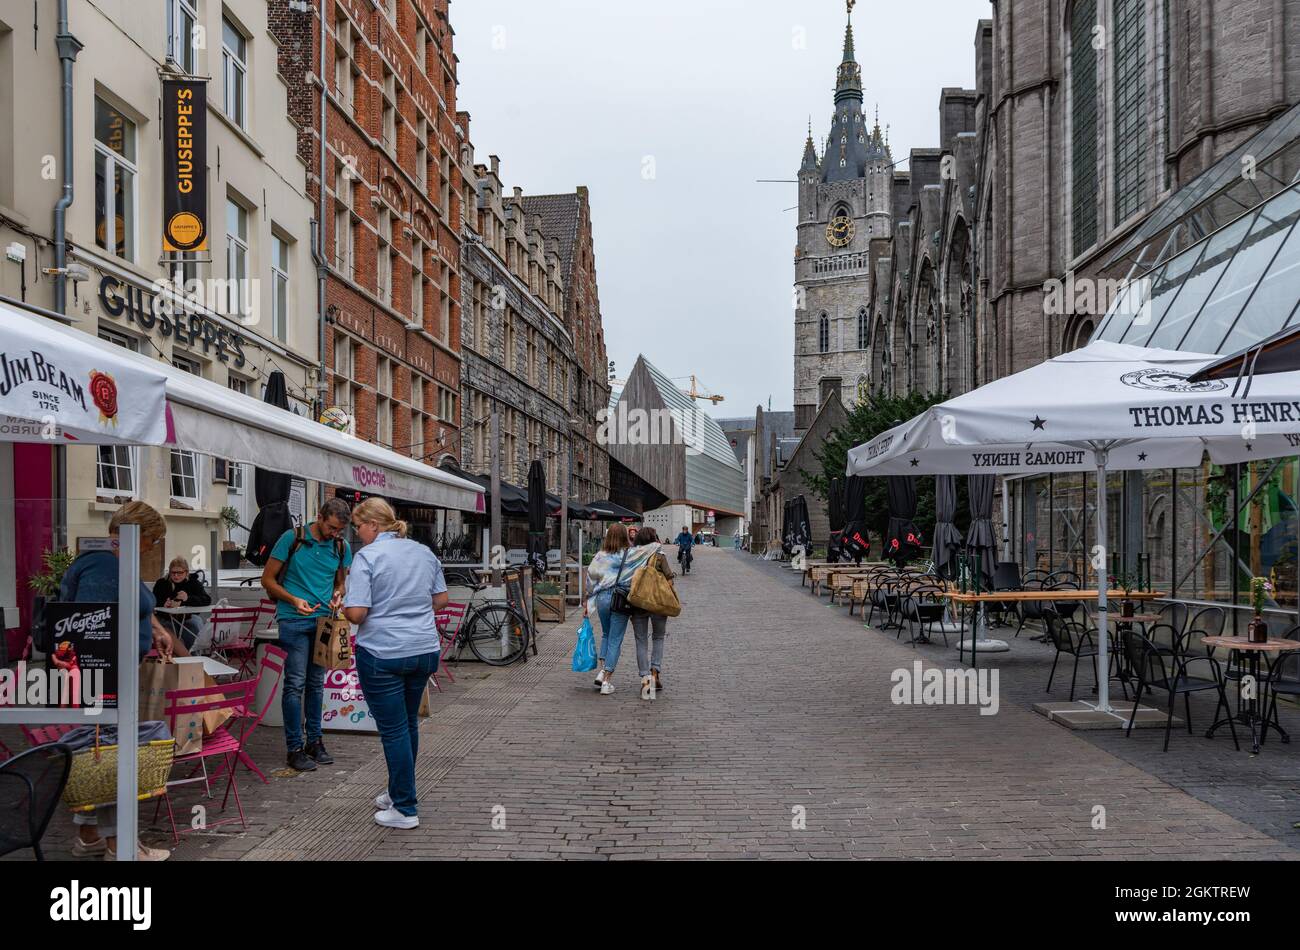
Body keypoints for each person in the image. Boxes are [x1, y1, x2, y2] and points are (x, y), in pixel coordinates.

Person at [61, 500, 176, 861]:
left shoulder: (110, 559)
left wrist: (154, 627)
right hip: (105, 677)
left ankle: (90, 835)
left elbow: (132, 605)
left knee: (97, 751)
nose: (152, 548)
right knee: (109, 754)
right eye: (153, 540)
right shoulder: (105, 564)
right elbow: (91, 626)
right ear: (138, 535)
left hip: (108, 674)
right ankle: (120, 845)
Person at [342, 498, 447, 830]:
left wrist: (345, 604)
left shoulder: (367, 557)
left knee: (393, 729)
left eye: (358, 526)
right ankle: (396, 791)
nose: (357, 533)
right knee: (408, 723)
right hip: (423, 648)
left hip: (383, 652)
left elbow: (357, 613)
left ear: (373, 524)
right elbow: (441, 599)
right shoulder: (422, 552)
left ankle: (404, 808)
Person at [261, 498, 352, 772]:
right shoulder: (292, 538)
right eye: (333, 527)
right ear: (320, 517)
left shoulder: (340, 546)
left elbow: (340, 583)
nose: (336, 534)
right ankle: (294, 747)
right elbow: (268, 579)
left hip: (324, 621)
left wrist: (339, 594)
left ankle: (315, 741)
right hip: (293, 620)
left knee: (316, 684)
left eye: (340, 530)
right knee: (295, 684)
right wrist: (293, 599)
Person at [586, 523, 658, 694]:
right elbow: (652, 548)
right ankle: (606, 681)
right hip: (619, 598)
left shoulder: (600, 556)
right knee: (615, 640)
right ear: (624, 537)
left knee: (605, 634)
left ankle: (602, 671)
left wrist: (589, 599)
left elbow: (590, 578)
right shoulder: (630, 554)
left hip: (602, 598)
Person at [628, 527, 674, 698]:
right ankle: (655, 672)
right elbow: (669, 579)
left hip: (639, 603)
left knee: (641, 640)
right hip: (658, 604)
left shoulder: (632, 556)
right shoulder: (659, 555)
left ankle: (645, 678)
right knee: (658, 637)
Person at [152, 556, 212, 650]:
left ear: (186, 572)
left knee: (195, 624)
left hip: (188, 617)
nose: (176, 576)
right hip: (166, 618)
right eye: (173, 573)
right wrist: (163, 603)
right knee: (167, 628)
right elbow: (153, 600)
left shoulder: (193, 583)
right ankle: (174, 654)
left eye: (180, 573)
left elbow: (206, 600)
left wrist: (187, 599)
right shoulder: (162, 583)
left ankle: (192, 652)